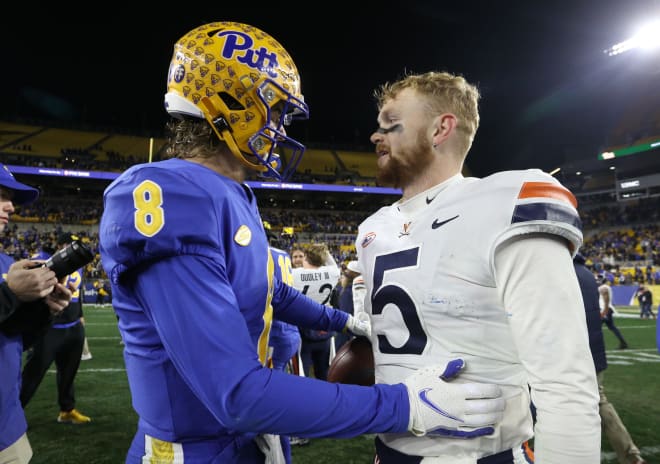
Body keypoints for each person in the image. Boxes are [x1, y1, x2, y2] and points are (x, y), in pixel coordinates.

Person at [98, 23, 506, 464]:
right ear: (231, 104)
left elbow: (267, 291)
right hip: (193, 449)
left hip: (251, 438)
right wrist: (406, 406)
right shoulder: (168, 193)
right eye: (274, 110)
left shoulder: (231, 193)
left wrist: (345, 323)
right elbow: (236, 394)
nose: (280, 127)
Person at [356, 71, 600, 462]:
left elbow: (565, 381)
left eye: (392, 122)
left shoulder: (501, 204)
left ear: (441, 129)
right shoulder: (373, 227)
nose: (376, 134)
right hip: (390, 449)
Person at [0, 164, 73, 463]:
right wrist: (8, 295)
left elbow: (14, 340)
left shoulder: (7, 262)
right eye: (1, 195)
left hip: (8, 429)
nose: (10, 205)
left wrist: (43, 311)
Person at [574, 254, 647, 464]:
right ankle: (631, 455)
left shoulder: (562, 273)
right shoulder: (587, 274)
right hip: (594, 353)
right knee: (598, 402)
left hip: (572, 355)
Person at [20, 233, 92, 424]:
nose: (73, 249)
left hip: (73, 326)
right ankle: (10, 414)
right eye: (70, 245)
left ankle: (67, 410)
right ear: (61, 244)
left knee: (68, 373)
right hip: (49, 328)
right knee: (32, 375)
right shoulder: (40, 261)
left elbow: (77, 294)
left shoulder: (77, 264)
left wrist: (81, 315)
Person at [291, 243, 341, 381]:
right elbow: (331, 263)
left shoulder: (294, 274)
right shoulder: (333, 273)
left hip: (303, 330)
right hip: (324, 328)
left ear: (306, 258)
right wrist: (323, 250)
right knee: (324, 373)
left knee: (302, 374)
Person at [599, 276, 629, 349]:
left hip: (605, 309)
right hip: (606, 309)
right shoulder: (604, 287)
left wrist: (604, 310)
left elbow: (605, 295)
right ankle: (623, 343)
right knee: (612, 327)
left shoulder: (603, 287)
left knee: (595, 328)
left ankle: (595, 346)